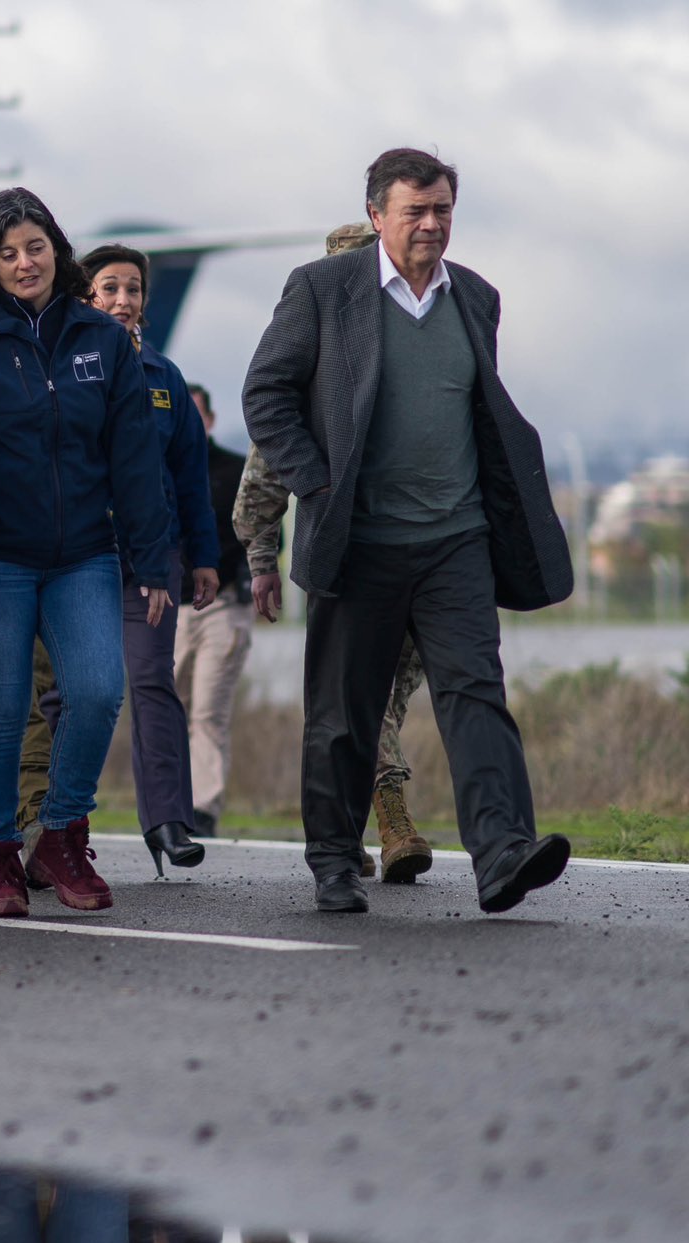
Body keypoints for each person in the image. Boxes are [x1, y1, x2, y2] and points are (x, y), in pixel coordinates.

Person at [243, 148, 573, 914]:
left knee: (475, 692)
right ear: (376, 217)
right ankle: (332, 857)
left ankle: (502, 855)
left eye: (443, 210)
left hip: (457, 539)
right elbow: (266, 391)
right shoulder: (323, 290)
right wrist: (315, 479)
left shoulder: (477, 299)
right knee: (345, 712)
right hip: (359, 541)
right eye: (415, 211)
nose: (431, 224)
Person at [0, 188, 173, 918]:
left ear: (57, 251)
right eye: (7, 253)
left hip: (82, 553)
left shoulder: (100, 340)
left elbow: (135, 458)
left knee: (96, 691)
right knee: (1, 708)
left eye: (35, 248)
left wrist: (152, 560)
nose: (24, 262)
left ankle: (60, 835)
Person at [233, 224, 434, 884]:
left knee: (379, 702)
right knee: (360, 703)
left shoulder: (422, 338)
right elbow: (266, 466)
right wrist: (262, 562)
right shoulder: (313, 354)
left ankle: (363, 832)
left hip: (430, 551)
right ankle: (382, 824)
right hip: (346, 556)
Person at [76, 244, 219, 878]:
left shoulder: (165, 379)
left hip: (149, 564)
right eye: (108, 289)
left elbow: (192, 477)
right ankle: (55, 826)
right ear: (86, 298)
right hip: (76, 557)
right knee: (70, 696)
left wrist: (203, 557)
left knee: (153, 683)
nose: (122, 301)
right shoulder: (65, 366)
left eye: (132, 290)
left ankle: (168, 821)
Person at [171, 382, 254, 839]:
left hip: (223, 605)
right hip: (170, 606)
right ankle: (171, 802)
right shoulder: (161, 467)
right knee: (168, 708)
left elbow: (265, 534)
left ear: (211, 420)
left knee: (207, 711)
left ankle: (204, 807)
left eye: (198, 415)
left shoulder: (235, 470)